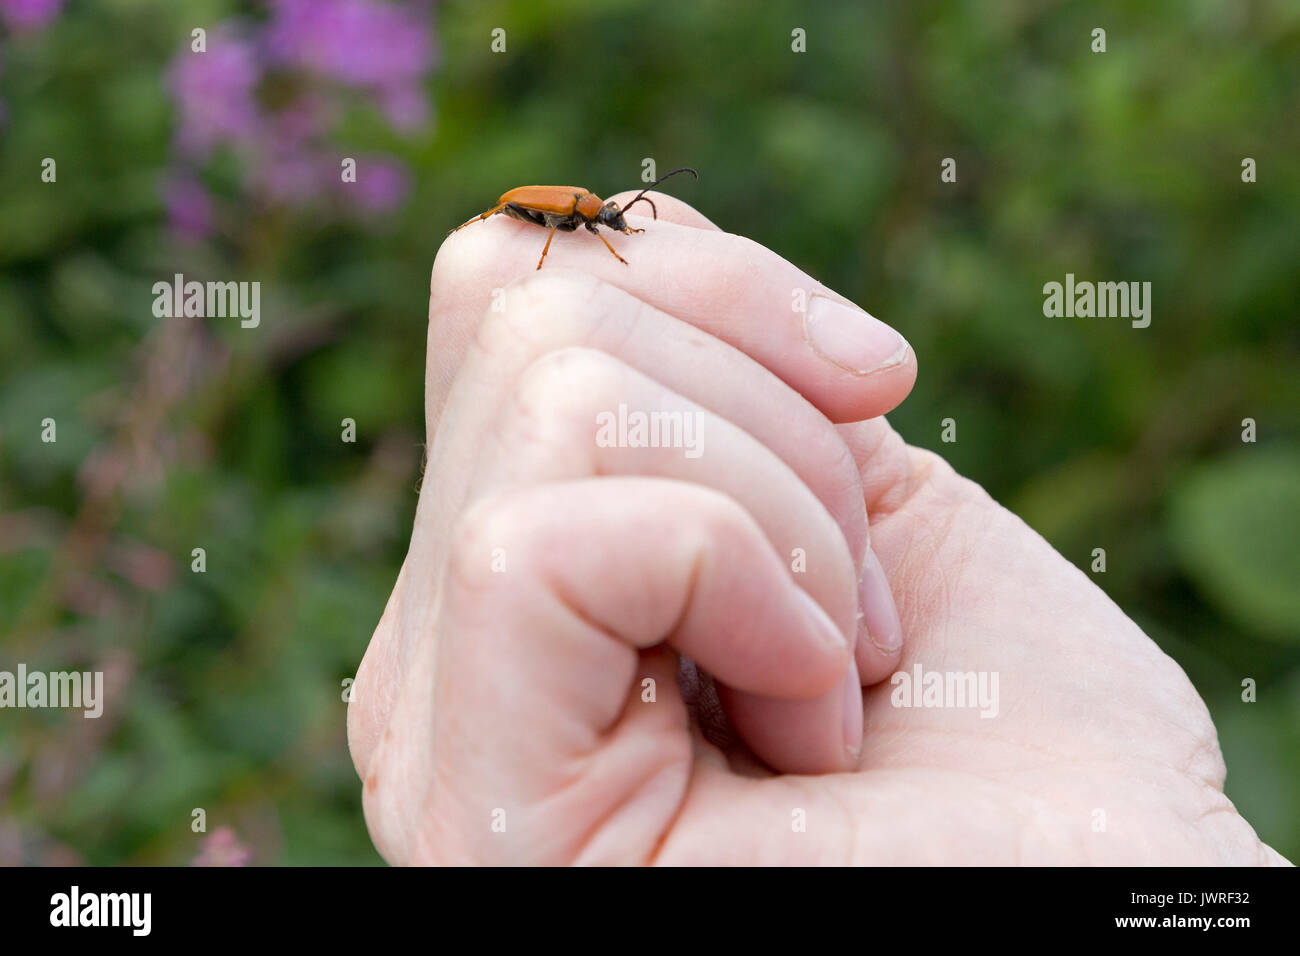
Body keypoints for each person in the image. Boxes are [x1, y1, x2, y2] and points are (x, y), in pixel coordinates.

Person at [347, 191, 1288, 866]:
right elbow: (531, 222)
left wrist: (1155, 844)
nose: (611, 231)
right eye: (608, 225)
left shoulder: (1110, 791)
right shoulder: (556, 222)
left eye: (606, 225)